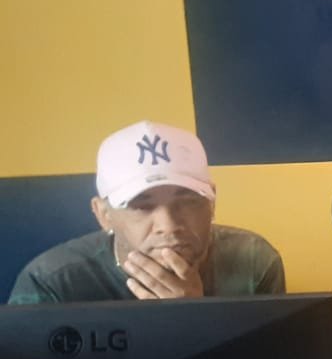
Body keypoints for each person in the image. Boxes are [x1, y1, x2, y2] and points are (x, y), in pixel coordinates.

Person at [7, 121, 284, 304]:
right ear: (103, 214)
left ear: (211, 203)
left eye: (187, 201)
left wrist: (197, 320)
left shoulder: (253, 262)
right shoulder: (52, 282)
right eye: (141, 205)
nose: (169, 225)